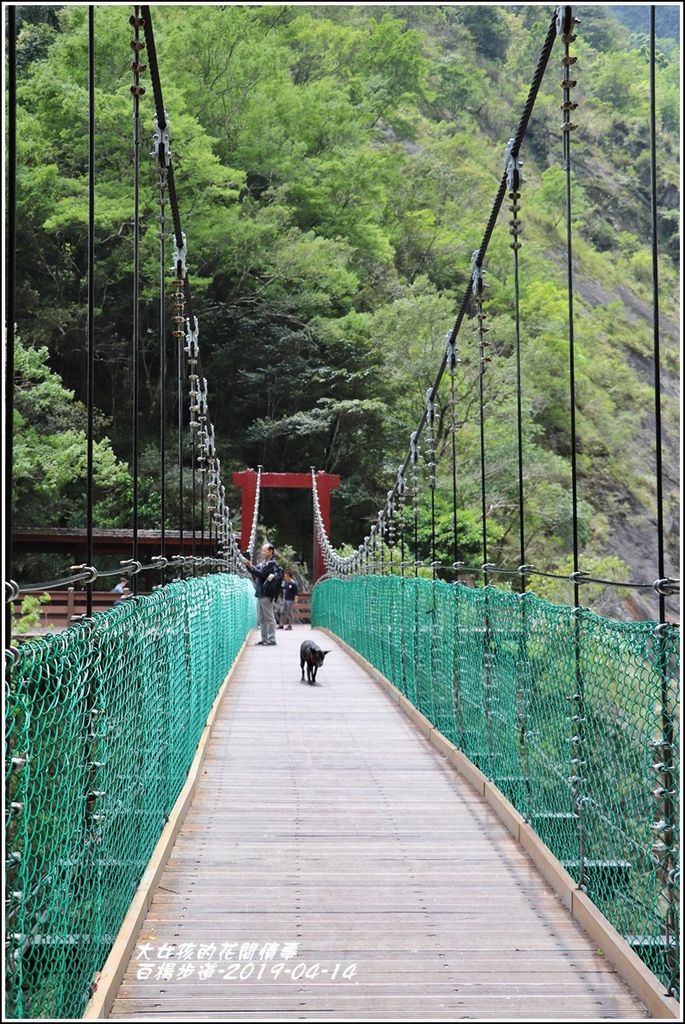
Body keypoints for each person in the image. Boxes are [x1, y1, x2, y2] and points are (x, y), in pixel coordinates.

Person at [244, 543, 281, 646]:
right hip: (261, 593)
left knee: (269, 616)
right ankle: (264, 639)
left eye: (264, 550)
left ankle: (271, 639)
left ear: (270, 551)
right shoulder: (264, 563)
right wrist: (249, 566)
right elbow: (256, 571)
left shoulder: (271, 564)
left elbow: (260, 574)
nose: (262, 552)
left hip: (266, 593)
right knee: (262, 617)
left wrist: (250, 566)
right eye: (262, 550)